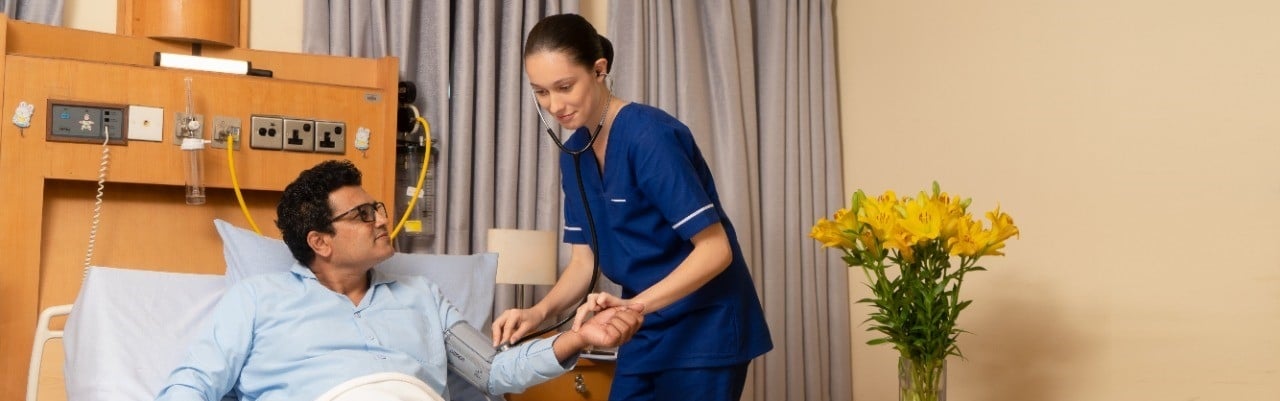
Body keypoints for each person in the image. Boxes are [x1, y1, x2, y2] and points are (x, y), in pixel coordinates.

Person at [156, 160, 644, 401]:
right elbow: (193, 384)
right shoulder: (258, 300)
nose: (382, 219)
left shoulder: (421, 296)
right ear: (320, 242)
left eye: (376, 207)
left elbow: (493, 372)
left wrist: (577, 337)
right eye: (362, 214)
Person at [491, 14, 773, 401]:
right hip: (642, 327)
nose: (554, 105)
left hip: (704, 327)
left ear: (599, 70)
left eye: (565, 87)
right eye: (540, 92)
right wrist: (537, 313)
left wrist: (633, 305)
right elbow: (584, 263)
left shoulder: (649, 136)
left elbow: (715, 250)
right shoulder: (574, 154)